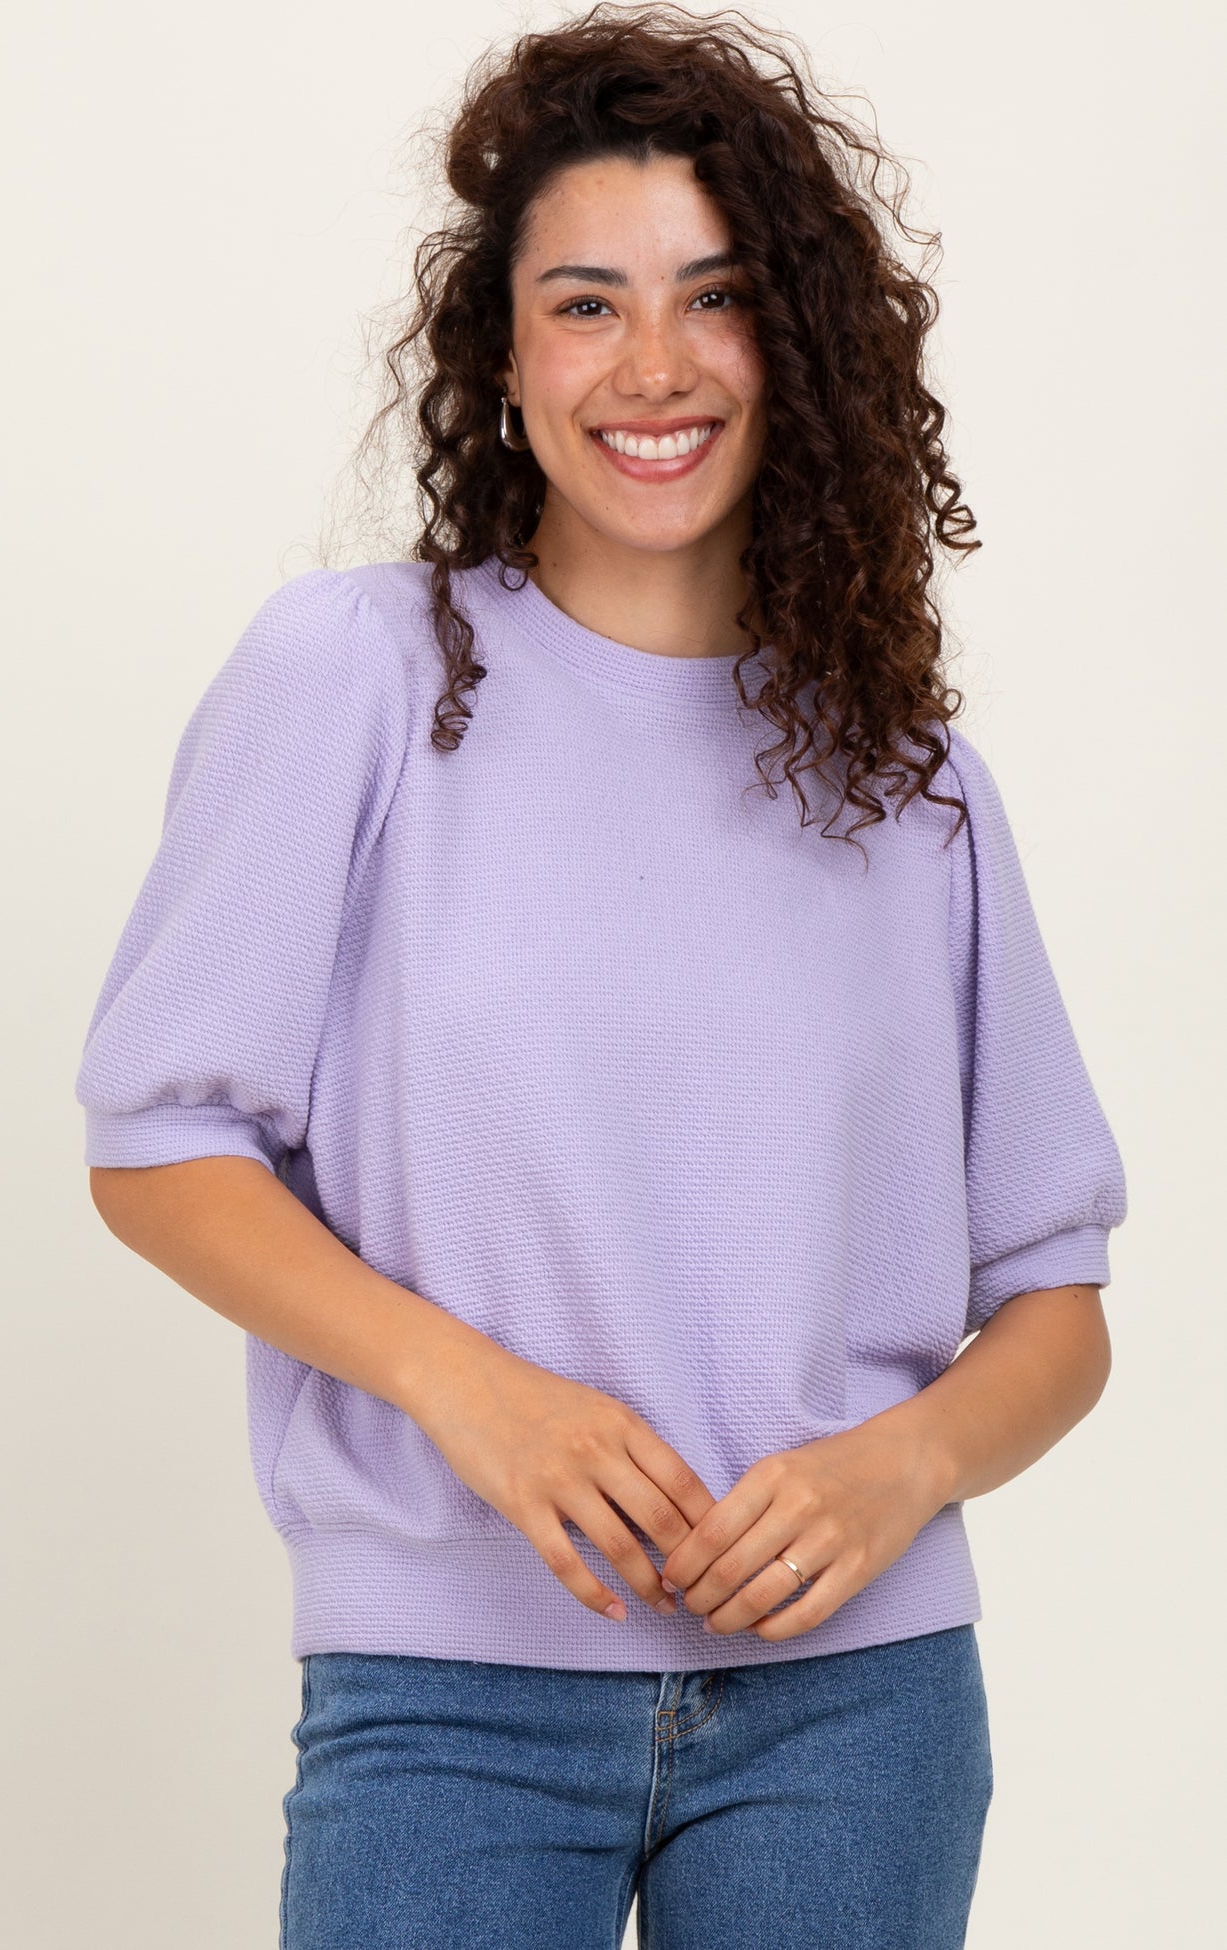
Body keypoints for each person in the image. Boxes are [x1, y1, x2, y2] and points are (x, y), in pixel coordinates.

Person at [74, 6, 1127, 1944]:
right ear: (504, 357)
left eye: (715, 298)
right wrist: (476, 1397)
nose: (653, 365)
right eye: (585, 304)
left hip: (858, 1707)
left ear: (794, 345)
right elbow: (158, 1148)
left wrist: (900, 1466)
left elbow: (1054, 1298)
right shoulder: (358, 677)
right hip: (448, 1695)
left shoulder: (910, 784)